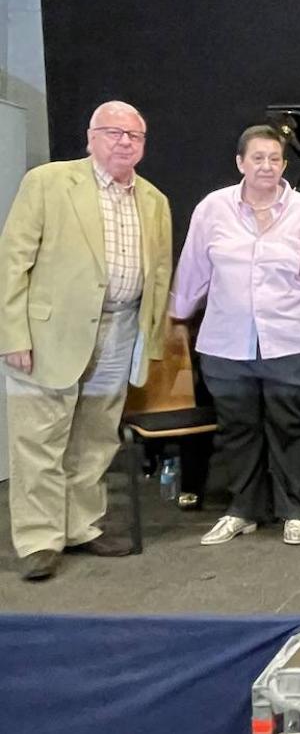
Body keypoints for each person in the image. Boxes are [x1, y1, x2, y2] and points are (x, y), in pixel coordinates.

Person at [0, 101, 172, 581]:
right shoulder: (49, 183)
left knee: (95, 438)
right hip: (48, 334)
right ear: (91, 135)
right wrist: (12, 333)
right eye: (114, 132)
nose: (124, 142)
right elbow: (12, 261)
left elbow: (159, 273)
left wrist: (150, 340)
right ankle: (39, 539)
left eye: (134, 136)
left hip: (119, 331)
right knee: (39, 439)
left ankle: (81, 525)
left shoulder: (153, 199)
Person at [170, 125, 300, 547]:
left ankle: (293, 511)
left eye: (274, 159)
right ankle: (241, 510)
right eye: (257, 158)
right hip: (227, 341)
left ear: (284, 165)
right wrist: (176, 318)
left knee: (292, 430)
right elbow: (194, 266)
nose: (266, 166)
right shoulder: (212, 209)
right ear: (240, 163)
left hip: (294, 337)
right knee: (237, 429)